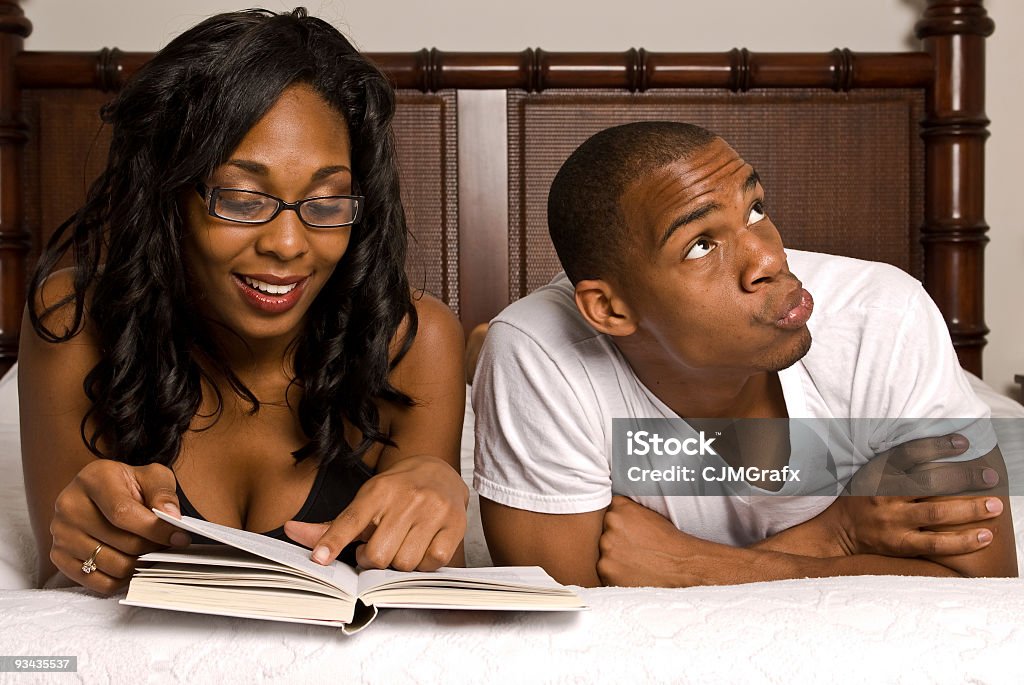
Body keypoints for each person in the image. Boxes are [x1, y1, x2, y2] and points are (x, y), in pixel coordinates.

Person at [18, 8, 468, 594]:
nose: (287, 244)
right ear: (168, 197)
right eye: (243, 198)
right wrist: (80, 543)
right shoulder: (73, 321)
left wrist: (440, 495)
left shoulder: (412, 340)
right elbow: (60, 585)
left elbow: (433, 600)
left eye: (328, 202)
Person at [473, 121, 1017, 587]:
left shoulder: (879, 317)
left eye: (755, 209)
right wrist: (837, 534)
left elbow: (984, 583)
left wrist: (705, 567)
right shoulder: (538, 351)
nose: (770, 256)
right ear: (610, 309)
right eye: (701, 244)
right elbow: (564, 614)